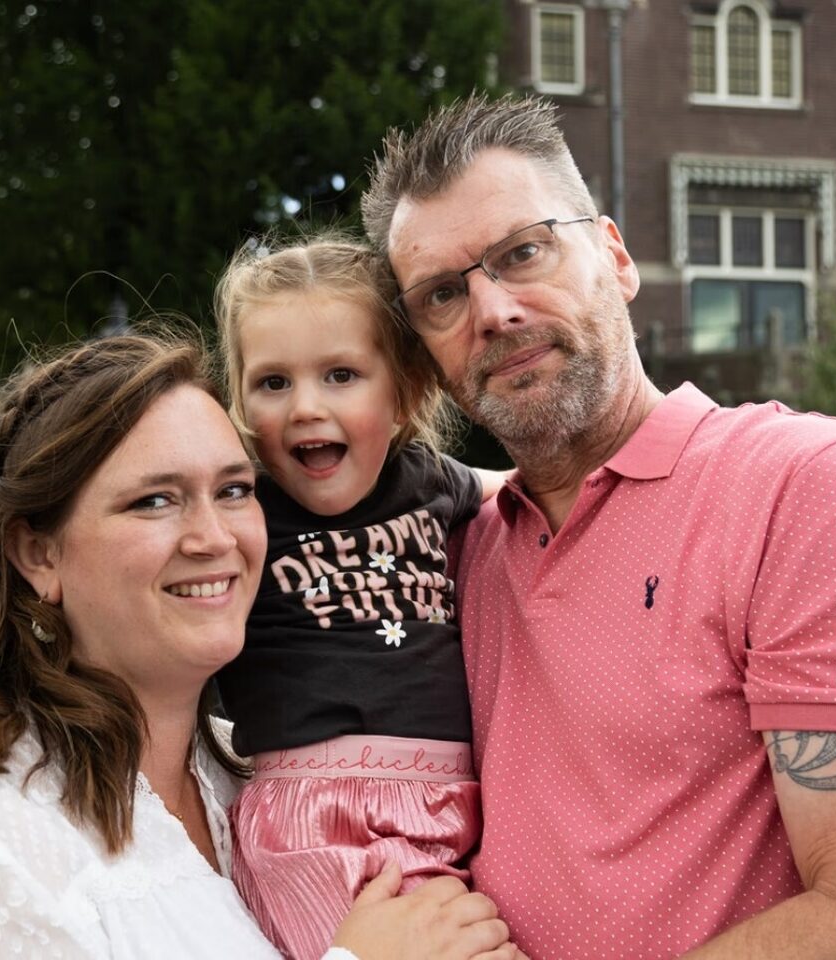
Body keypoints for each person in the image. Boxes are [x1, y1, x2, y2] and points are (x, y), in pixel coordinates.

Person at [359, 94, 836, 959]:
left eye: (524, 251)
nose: (493, 311)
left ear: (615, 257)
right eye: (441, 295)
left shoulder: (808, 489)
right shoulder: (457, 550)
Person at [0, 333, 519, 960]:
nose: (215, 538)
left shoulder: (252, 775)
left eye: (234, 490)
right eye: (154, 500)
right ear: (39, 554)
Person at [213, 237, 505, 960]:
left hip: (449, 805)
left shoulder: (428, 479)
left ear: (403, 393)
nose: (306, 407)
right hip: (311, 817)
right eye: (272, 382)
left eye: (341, 375)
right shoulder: (246, 510)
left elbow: (528, 487)